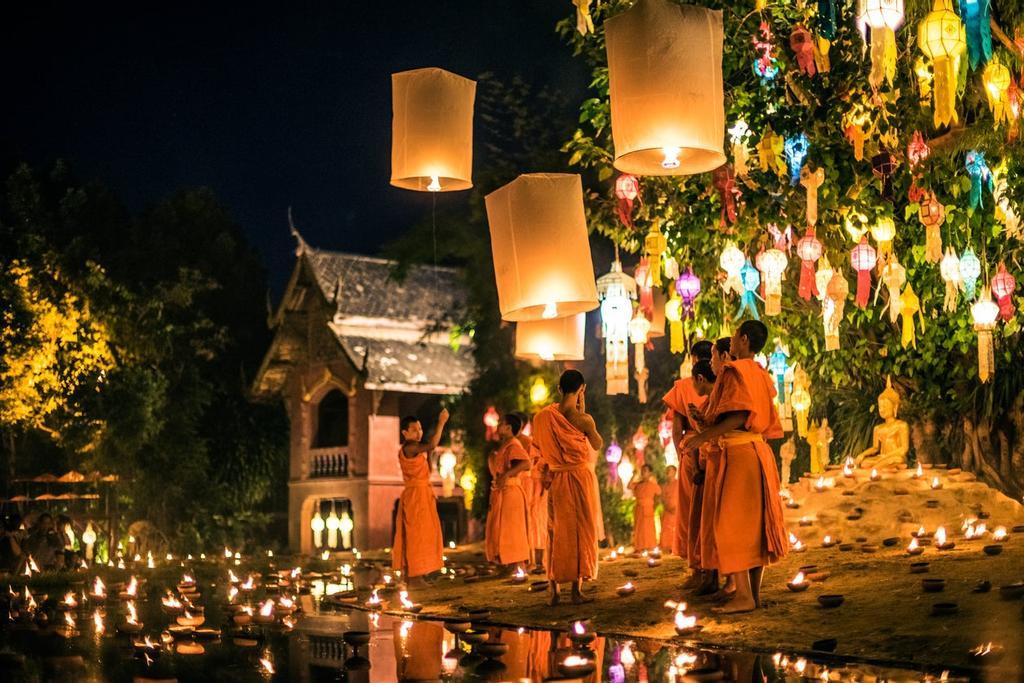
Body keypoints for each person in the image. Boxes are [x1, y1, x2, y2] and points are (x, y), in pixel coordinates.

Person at [684, 321, 789, 613]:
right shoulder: (760, 373)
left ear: (743, 339)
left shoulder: (735, 371)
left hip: (740, 454)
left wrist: (703, 436)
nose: (729, 343)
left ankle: (743, 596)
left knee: (730, 525)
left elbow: (739, 415)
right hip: (757, 450)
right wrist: (705, 421)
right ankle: (752, 594)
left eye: (733, 337)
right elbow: (741, 414)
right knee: (754, 526)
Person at [532, 369, 602, 606]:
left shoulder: (542, 417)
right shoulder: (583, 420)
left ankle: (554, 591)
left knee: (556, 530)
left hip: (557, 478)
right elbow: (597, 443)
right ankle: (576, 590)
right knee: (581, 530)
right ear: (581, 389)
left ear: (559, 389)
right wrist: (584, 411)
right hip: (580, 478)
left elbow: (538, 448)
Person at [662, 340, 713, 560]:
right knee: (714, 508)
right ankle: (720, 567)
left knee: (690, 511)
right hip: (719, 449)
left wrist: (682, 454)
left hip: (692, 449)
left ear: (693, 360)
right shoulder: (722, 381)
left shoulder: (684, 386)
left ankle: (695, 565)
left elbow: (676, 430)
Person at [392, 408, 449, 587]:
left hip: (423, 494)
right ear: (405, 433)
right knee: (416, 535)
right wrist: (441, 422)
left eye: (420, 429)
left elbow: (429, 464)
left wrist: (429, 454)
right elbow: (431, 445)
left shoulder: (416, 449)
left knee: (425, 534)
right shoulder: (409, 447)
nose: (419, 432)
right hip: (415, 496)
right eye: (415, 429)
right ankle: (414, 576)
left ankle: (418, 573)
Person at [681, 360, 719, 595]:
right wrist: (700, 419)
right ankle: (709, 574)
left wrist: (699, 430)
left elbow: (721, 428)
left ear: (700, 379)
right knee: (705, 522)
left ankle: (713, 575)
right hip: (707, 462)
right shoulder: (713, 399)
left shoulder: (721, 396)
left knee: (711, 522)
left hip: (715, 462)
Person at [485, 413, 532, 573]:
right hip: (504, 493)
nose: (498, 427)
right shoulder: (506, 445)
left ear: (509, 428)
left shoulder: (513, 445)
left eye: (501, 424)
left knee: (513, 530)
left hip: (511, 492)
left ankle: (517, 565)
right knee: (504, 530)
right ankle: (508, 563)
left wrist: (506, 474)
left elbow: (526, 463)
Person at [516, 411, 548, 572]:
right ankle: (527, 560)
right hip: (523, 484)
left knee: (538, 521)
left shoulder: (539, 442)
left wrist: (545, 482)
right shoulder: (521, 442)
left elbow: (547, 463)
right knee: (525, 521)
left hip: (538, 484)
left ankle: (539, 561)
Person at [629, 464, 660, 552]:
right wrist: (633, 475)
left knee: (648, 528)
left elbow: (658, 495)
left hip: (648, 507)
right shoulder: (638, 484)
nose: (643, 472)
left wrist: (654, 506)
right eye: (642, 470)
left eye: (645, 470)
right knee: (638, 527)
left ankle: (650, 546)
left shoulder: (653, 485)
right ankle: (639, 546)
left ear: (650, 473)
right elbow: (629, 486)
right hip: (638, 508)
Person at [659, 465, 678, 552]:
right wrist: (667, 507)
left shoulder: (679, 483)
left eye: (670, 470)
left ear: (675, 472)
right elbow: (662, 498)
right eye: (667, 470)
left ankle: (676, 546)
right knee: (666, 529)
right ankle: (667, 546)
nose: (668, 472)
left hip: (677, 509)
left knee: (676, 528)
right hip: (667, 510)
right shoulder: (664, 486)